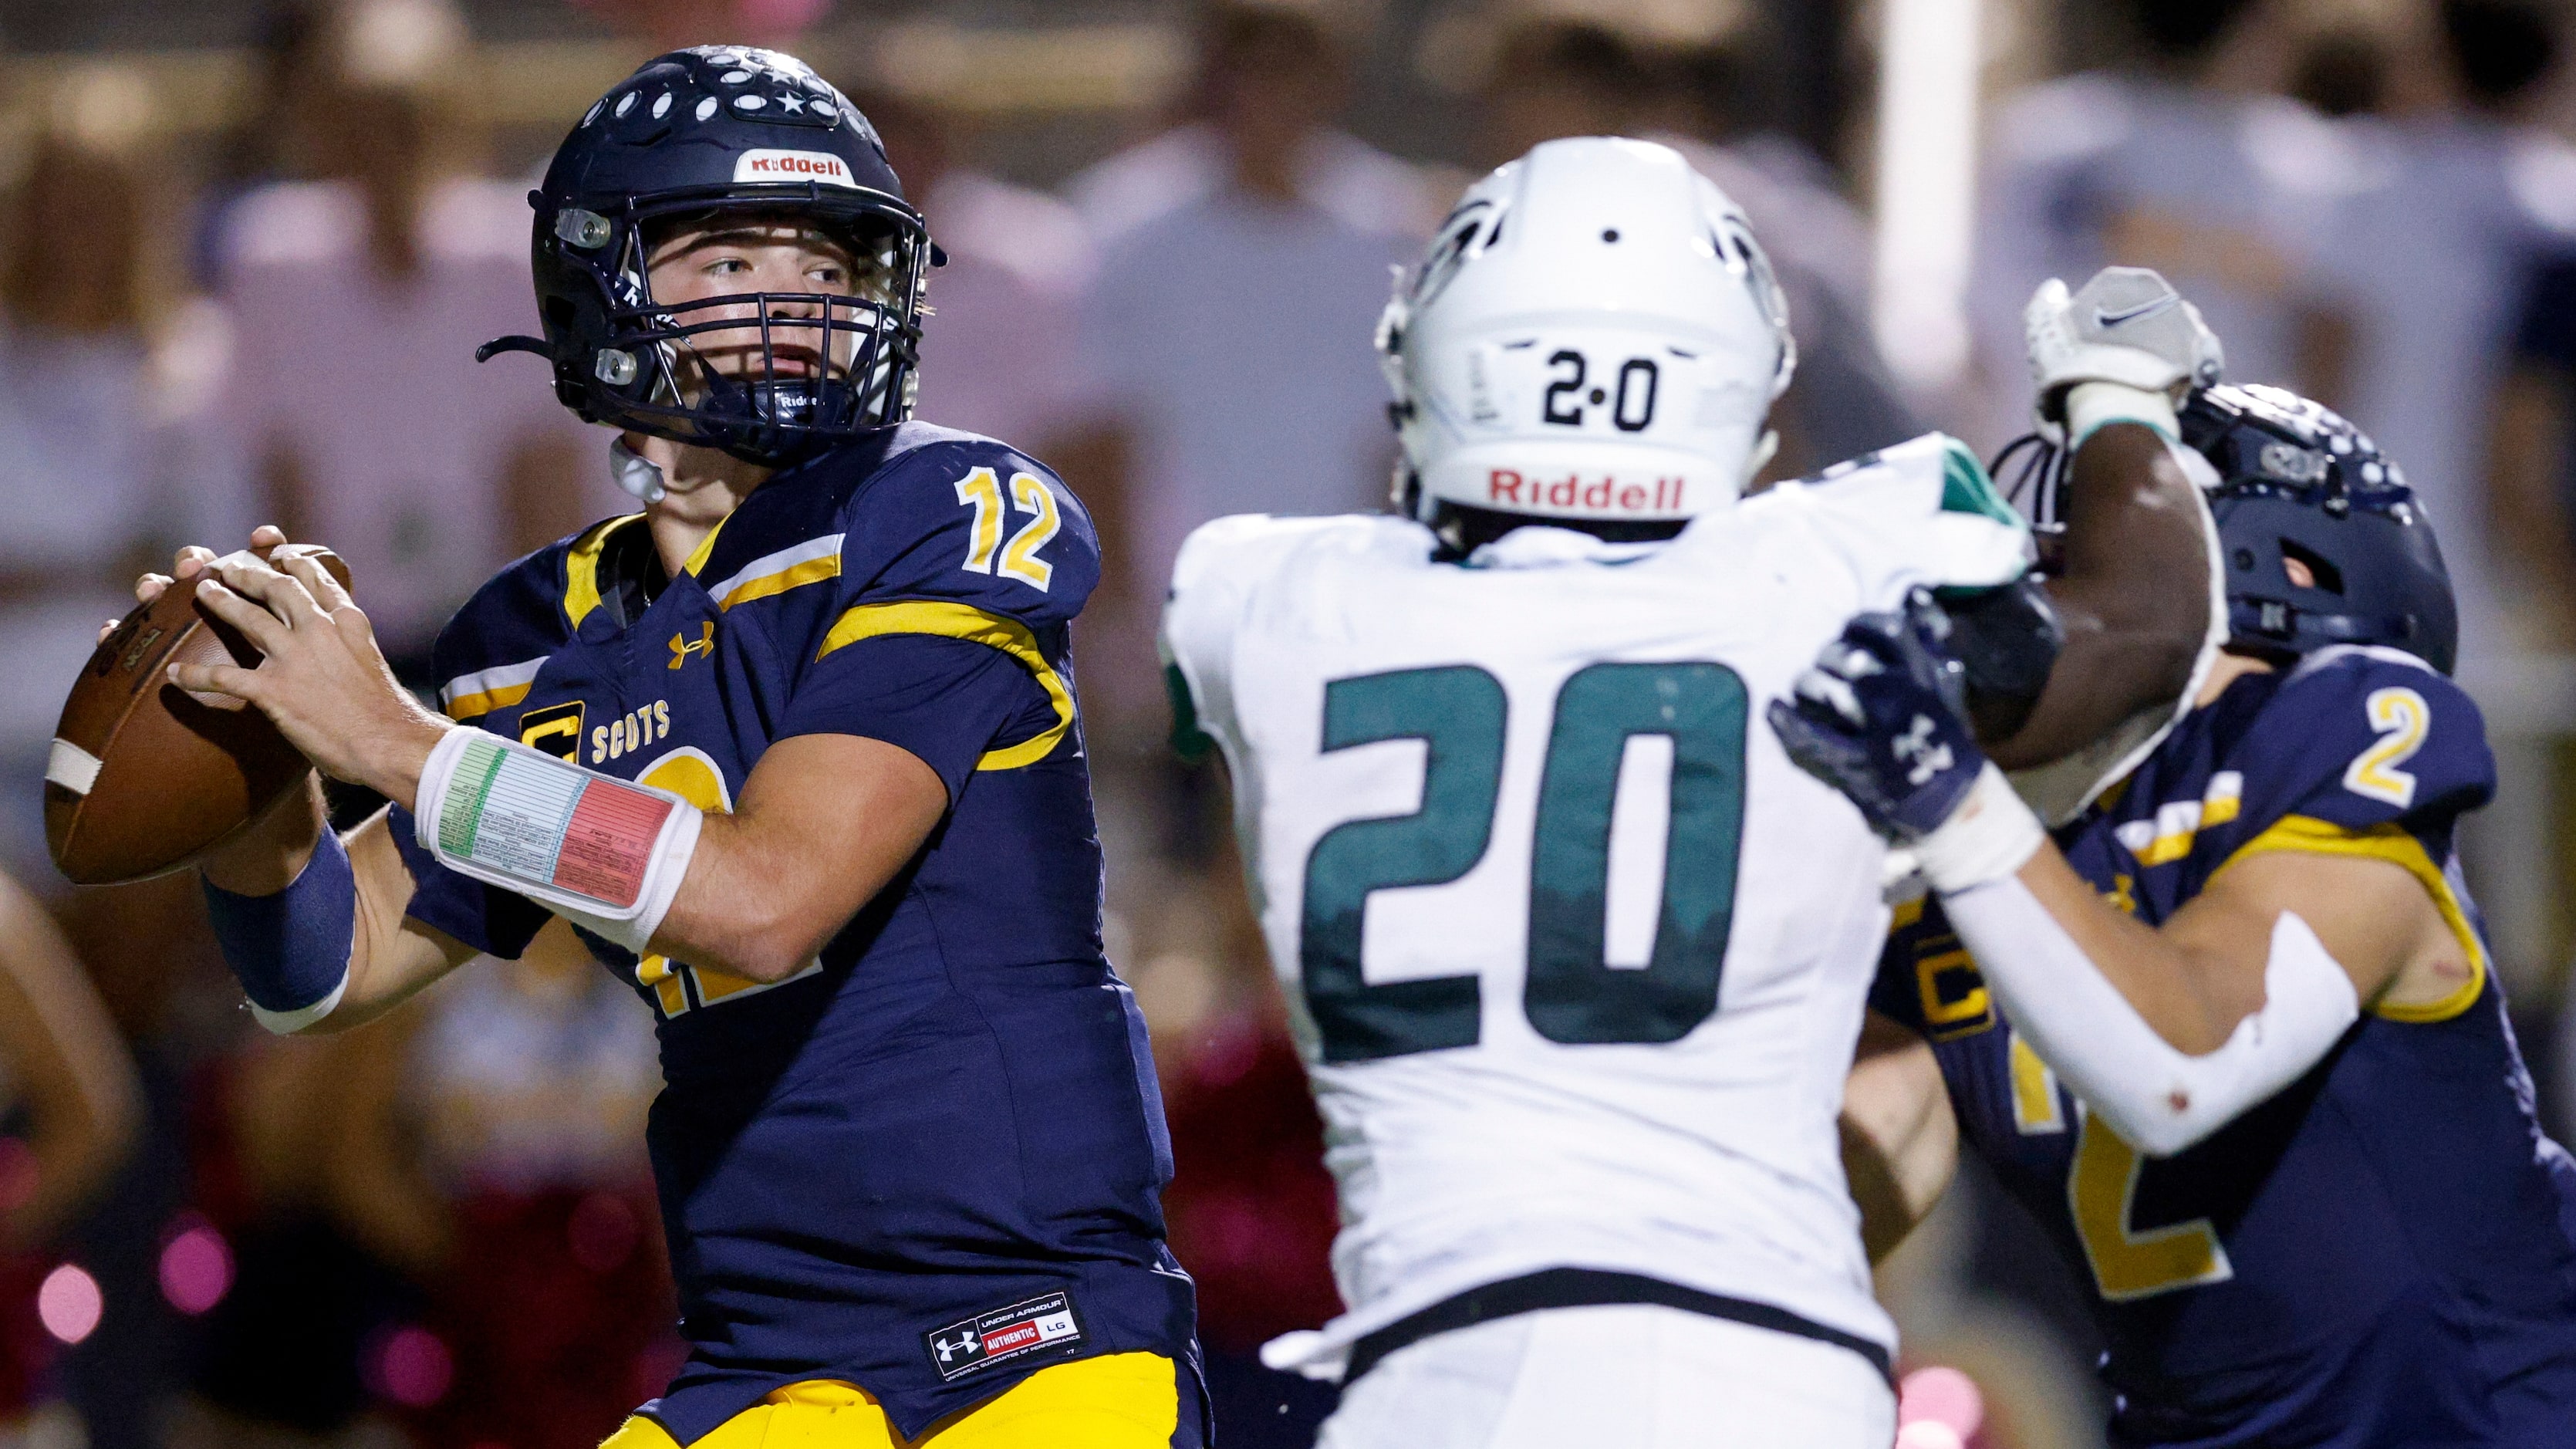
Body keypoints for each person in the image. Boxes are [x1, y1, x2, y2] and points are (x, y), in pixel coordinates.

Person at [130, 47, 1203, 1449]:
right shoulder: (541, 628)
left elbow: (768, 900)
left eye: (826, 253)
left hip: (1031, 1341)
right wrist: (258, 765)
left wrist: (390, 738)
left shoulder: (945, 509)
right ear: (604, 283)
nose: (797, 292)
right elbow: (319, 966)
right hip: (766, 1363)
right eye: (732, 248)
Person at [1159, 138, 2220, 1447]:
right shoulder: (1838, 567)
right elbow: (2142, 625)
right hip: (1761, 1374)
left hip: (1431, 1380)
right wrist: (2120, 397)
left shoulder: (1261, 602)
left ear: (1431, 359)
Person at [1786, 381, 2576, 1444]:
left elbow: (2182, 1054)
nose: (2050, 572)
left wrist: (1941, 786)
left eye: (2091, 537)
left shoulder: (2335, 736)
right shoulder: (1987, 853)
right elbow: (1864, 1148)